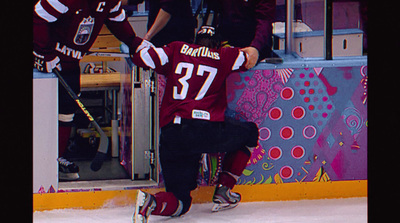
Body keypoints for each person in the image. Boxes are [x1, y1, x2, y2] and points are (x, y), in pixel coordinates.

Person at [130, 26, 259, 223]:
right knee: (250, 133)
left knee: (180, 201)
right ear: (218, 43)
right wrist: (252, 49)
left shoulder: (176, 48)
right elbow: (250, 57)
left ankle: (151, 203)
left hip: (172, 133)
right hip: (204, 131)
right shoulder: (225, 55)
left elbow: (143, 58)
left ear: (194, 40)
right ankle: (224, 190)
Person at [33, 0, 150, 180]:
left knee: (66, 112)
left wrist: (134, 42)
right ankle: (38, 162)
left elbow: (118, 22)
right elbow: (38, 17)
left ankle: (57, 158)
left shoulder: (110, 3)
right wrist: (44, 53)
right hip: (44, 61)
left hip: (70, 63)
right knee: (40, 112)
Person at [208, 0, 276, 69]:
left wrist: (255, 47)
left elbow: (265, 21)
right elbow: (214, 11)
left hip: (253, 46)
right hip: (224, 44)